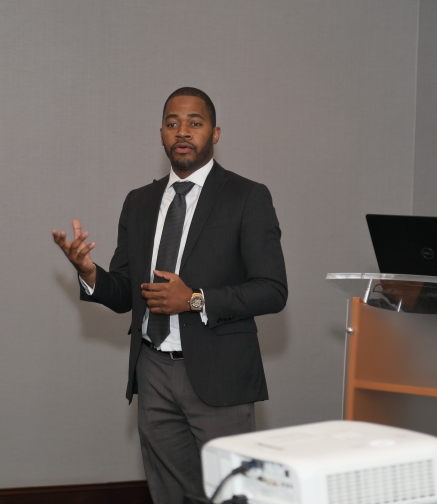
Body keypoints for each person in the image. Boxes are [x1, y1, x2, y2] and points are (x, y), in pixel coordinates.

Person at [52, 87, 287, 504]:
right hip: (153, 370)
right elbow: (125, 293)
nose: (183, 132)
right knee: (170, 494)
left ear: (215, 133)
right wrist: (89, 272)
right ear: (161, 132)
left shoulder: (247, 196)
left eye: (195, 123)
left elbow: (272, 290)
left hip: (219, 375)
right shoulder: (139, 202)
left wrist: (194, 299)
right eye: (172, 123)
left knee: (230, 495)